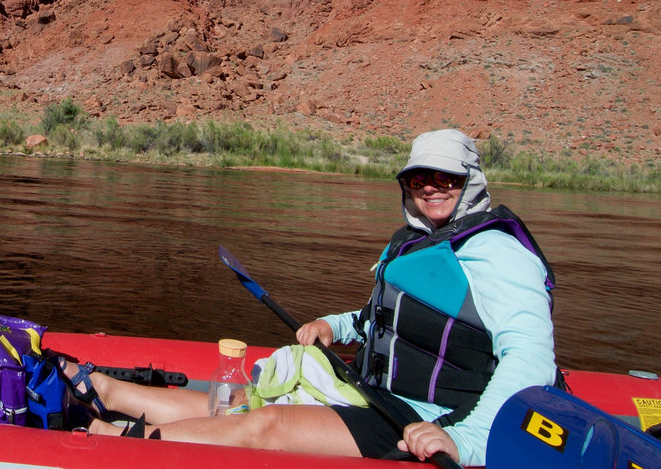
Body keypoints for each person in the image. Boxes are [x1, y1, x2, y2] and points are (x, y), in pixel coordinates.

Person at [60, 129, 558, 466]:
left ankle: (132, 446)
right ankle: (109, 392)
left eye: (446, 178)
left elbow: (530, 358)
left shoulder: (499, 254)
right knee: (237, 401)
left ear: (470, 180)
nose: (431, 189)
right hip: (375, 393)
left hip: (433, 418)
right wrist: (333, 327)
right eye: (418, 179)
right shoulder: (415, 240)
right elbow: (380, 320)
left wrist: (466, 441)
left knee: (269, 422)